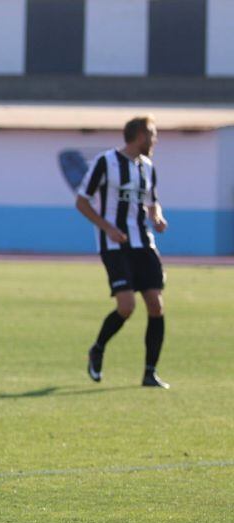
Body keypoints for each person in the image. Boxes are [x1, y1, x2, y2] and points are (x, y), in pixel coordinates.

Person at [76, 116, 170, 388]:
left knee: (156, 304)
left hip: (144, 244)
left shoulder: (148, 167)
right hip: (115, 246)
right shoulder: (106, 162)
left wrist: (158, 217)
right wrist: (107, 227)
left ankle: (150, 372)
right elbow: (82, 201)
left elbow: (152, 202)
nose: (155, 140)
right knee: (126, 307)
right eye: (152, 134)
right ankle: (98, 348)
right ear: (139, 134)